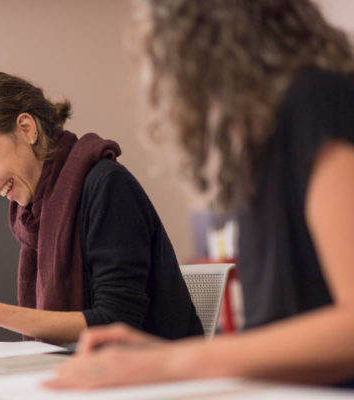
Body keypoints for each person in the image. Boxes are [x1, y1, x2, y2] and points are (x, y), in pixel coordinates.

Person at [45, 0, 354, 389]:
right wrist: (160, 356)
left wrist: (176, 361)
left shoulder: (317, 100)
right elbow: (283, 323)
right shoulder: (267, 134)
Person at [0, 71, 203, 344]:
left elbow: (117, 323)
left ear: (27, 129)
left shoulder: (107, 185)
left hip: (153, 377)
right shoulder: (34, 212)